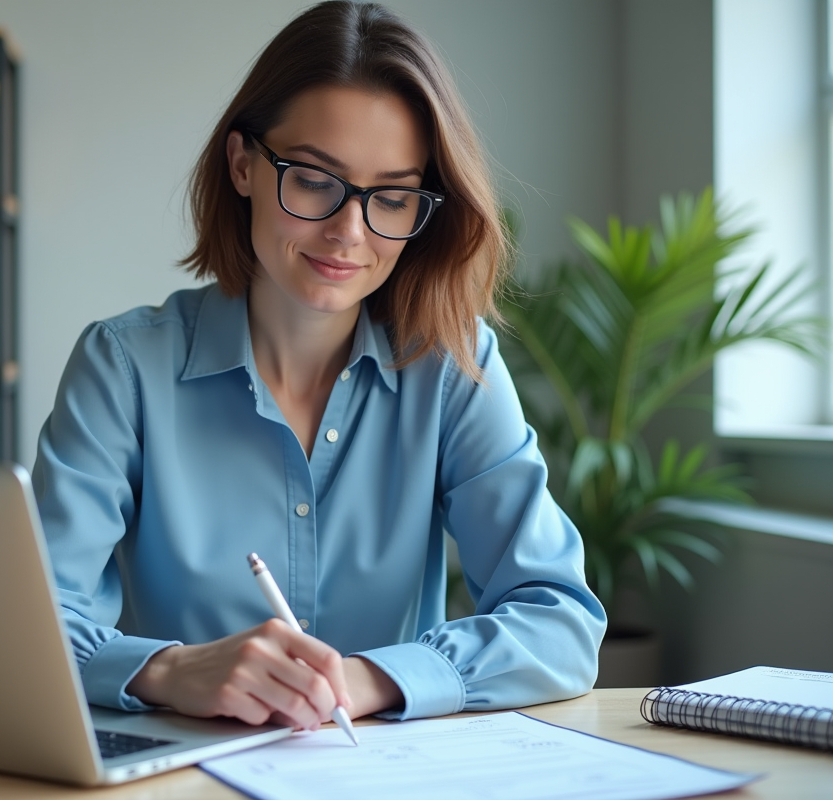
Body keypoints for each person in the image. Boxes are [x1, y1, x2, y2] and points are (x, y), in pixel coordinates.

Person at [32, 1, 606, 732]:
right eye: (312, 179)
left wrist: (369, 679)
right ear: (242, 164)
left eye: (392, 197)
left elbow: (561, 623)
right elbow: (40, 622)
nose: (348, 232)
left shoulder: (453, 368)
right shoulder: (123, 368)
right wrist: (172, 671)